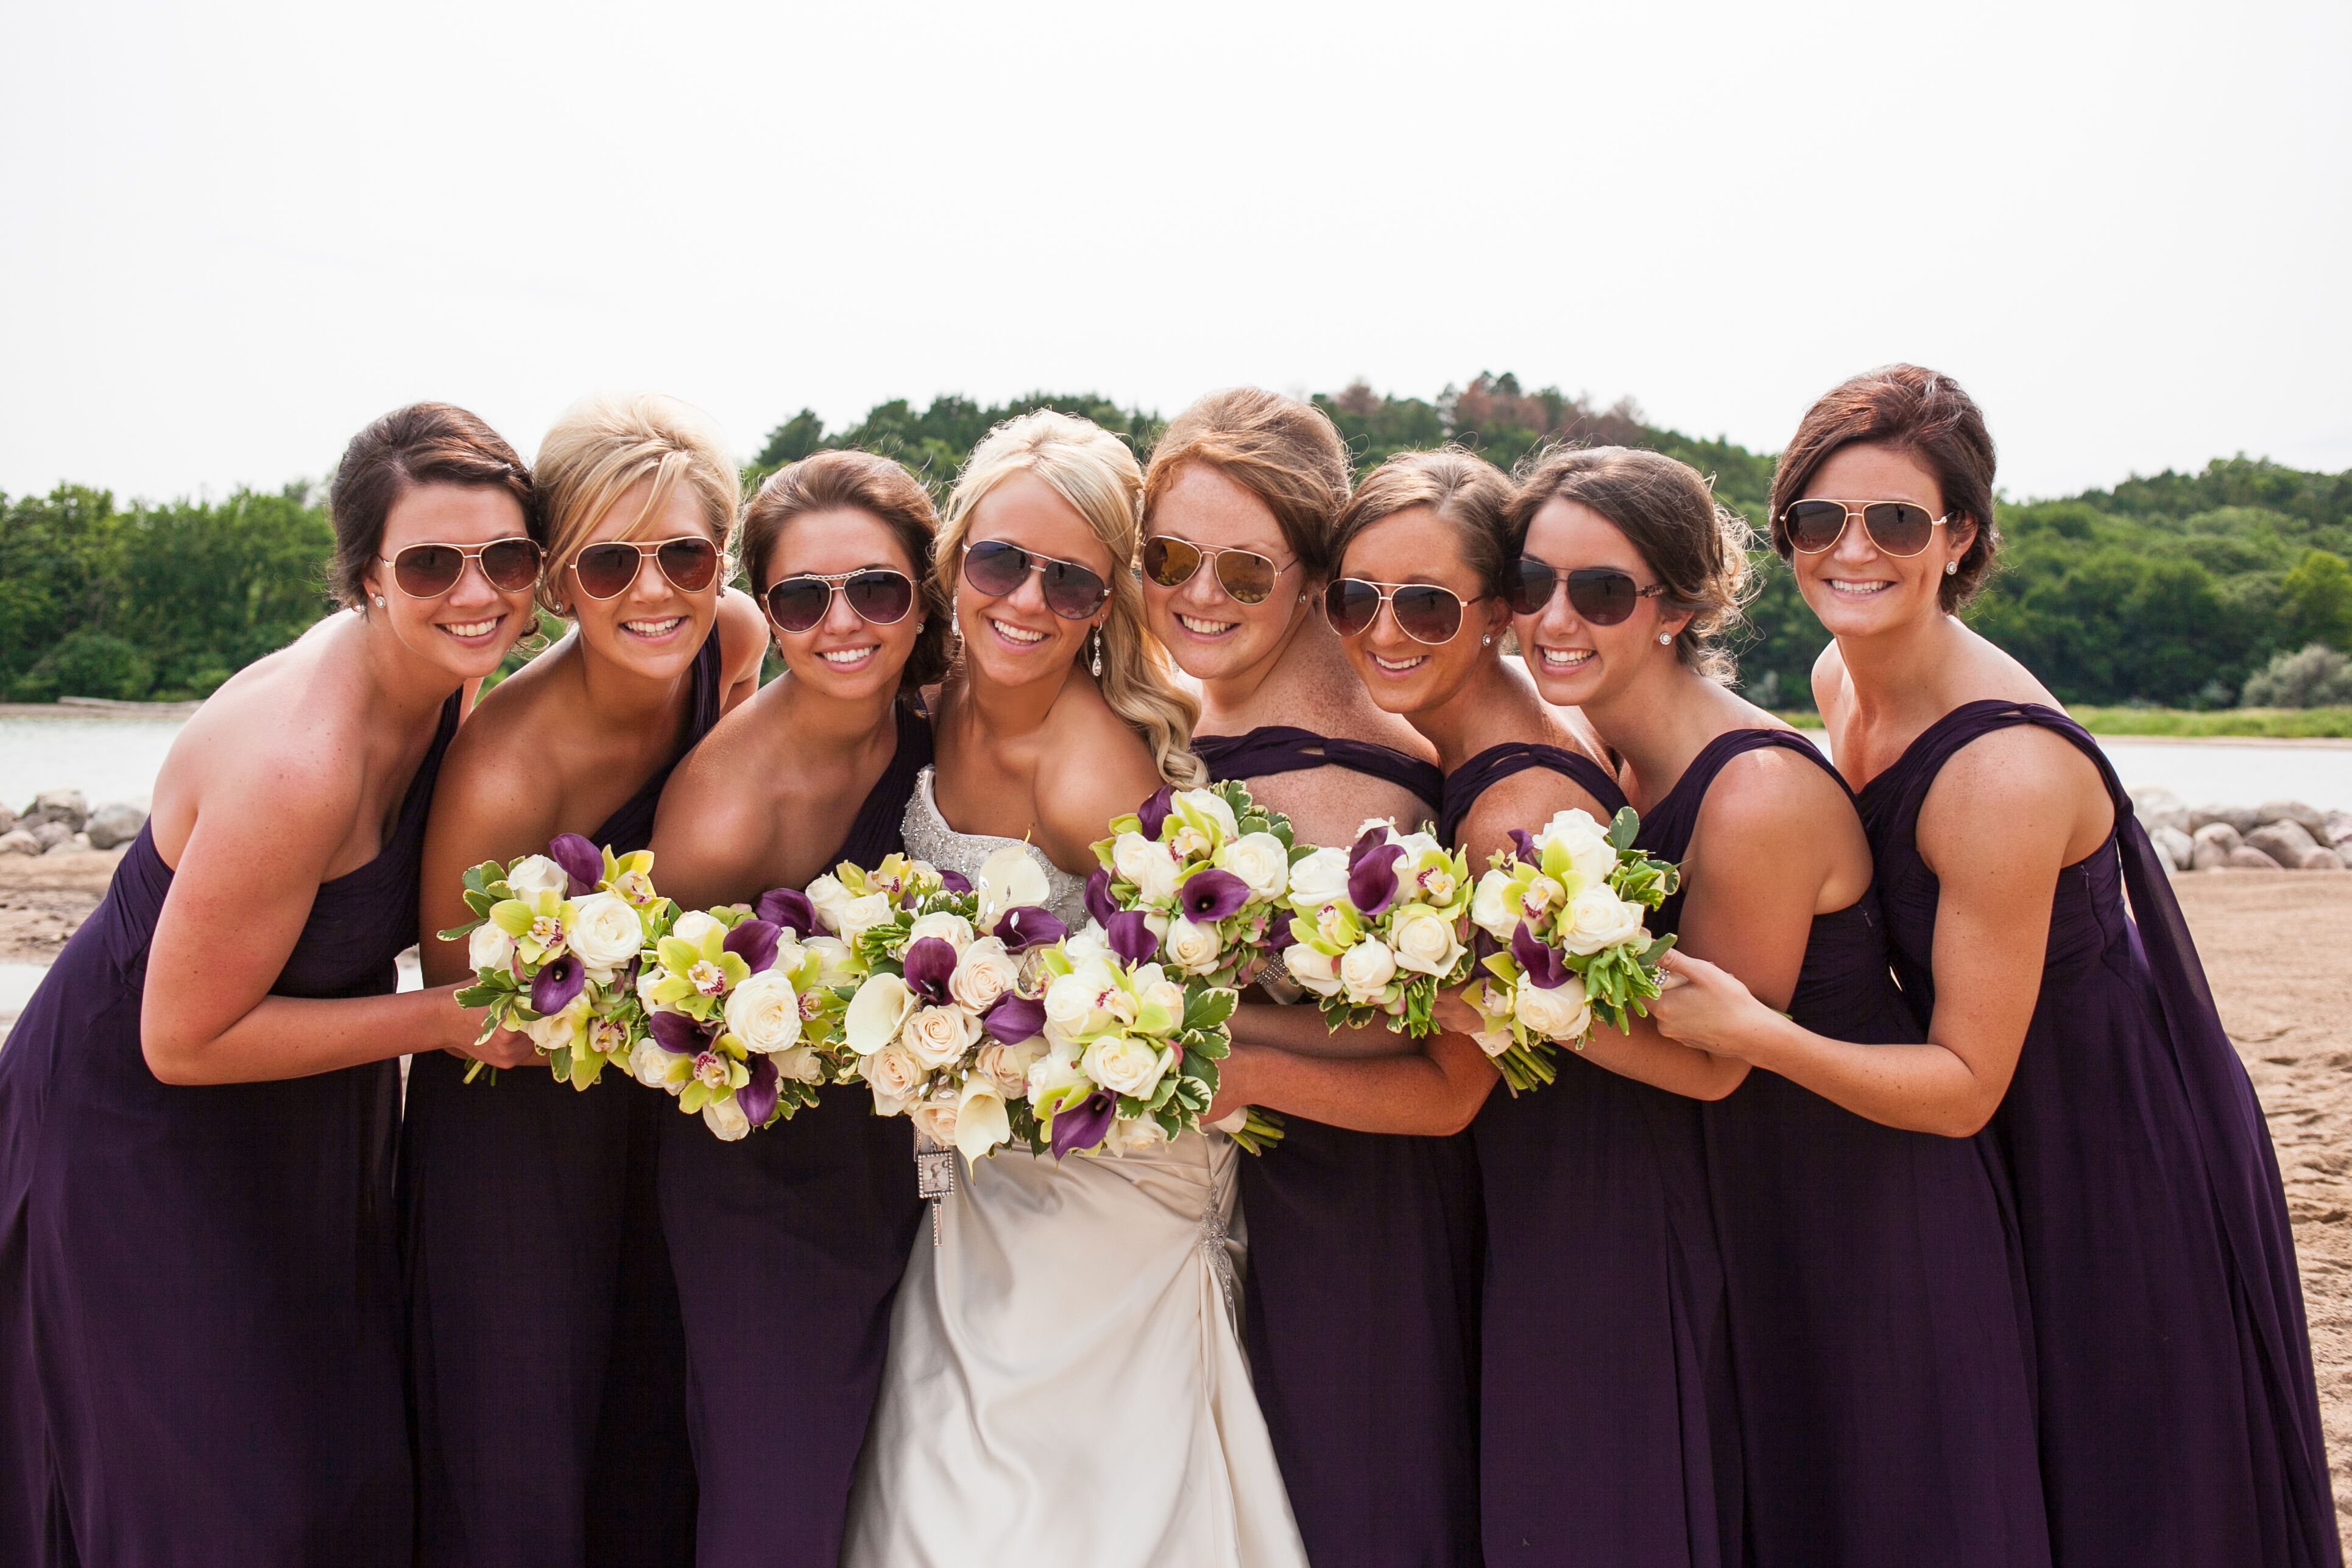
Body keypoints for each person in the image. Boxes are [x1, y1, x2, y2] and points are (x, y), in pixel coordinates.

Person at [1650, 364, 2339, 1567]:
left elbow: (1966, 1078)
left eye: (1896, 522)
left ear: (1958, 537)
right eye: (1818, 520)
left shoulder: (1997, 776)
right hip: (1984, 1115)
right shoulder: (1834, 680)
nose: (1850, 551)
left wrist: (1751, 1031)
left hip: (2096, 1143)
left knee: (2120, 1482)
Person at [0, 403, 547, 1566]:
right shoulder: (299, 758)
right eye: (432, 563)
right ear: (363, 577)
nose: (477, 590)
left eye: (507, 557)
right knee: (218, 1497)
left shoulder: (454, 683)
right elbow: (180, 1040)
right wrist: (445, 1020)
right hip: (136, 1127)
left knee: (335, 1460)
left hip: (299, 1108)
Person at [1506, 443, 2048, 1566]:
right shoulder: (1602, 746)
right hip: (1758, 1203)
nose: (1553, 617)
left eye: (1599, 590)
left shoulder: (1749, 792)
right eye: (1528, 584)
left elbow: (1714, 1056)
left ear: (1679, 608)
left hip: (1867, 1213)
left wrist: (1487, 990)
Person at [1237, 447, 1740, 1567]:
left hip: (1580, 1201)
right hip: (1546, 1186)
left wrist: (1232, 1054)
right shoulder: (1492, 747)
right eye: (1354, 599)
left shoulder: (1507, 811)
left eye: (1424, 602)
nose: (1382, 630)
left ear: (1499, 610)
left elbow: (1456, 1081)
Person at [840, 409, 1307, 1568]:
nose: (1027, 602)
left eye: (1073, 582)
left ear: (1108, 605)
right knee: (939, 1467)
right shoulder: (929, 698)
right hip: (976, 1182)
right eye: (1001, 562)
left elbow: (1194, 1010)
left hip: (1113, 1177)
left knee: (1054, 1503)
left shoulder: (1094, 768)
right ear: (955, 560)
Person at [401, 391, 763, 1567]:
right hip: (515, 1135)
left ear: (725, 559)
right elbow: (464, 996)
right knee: (524, 1442)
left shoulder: (740, 642)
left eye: (685, 554)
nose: (653, 590)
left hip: (668, 1104)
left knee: (660, 1421)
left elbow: (740, 836)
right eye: (610, 561)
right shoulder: (501, 763)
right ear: (557, 581)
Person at [1134, 388, 1479, 1566]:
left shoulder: (1348, 794)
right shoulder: (1186, 715)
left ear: (1313, 577)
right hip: (1195, 1215)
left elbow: (1447, 1077)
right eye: (1170, 557)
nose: (1199, 595)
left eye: (1245, 572)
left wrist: (1229, 1064)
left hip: (1340, 1221)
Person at [645, 449, 939, 1567]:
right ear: (767, 611)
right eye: (803, 598)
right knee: (782, 1496)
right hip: (763, 1191)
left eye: (877, 588)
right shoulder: (724, 806)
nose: (843, 623)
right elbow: (670, 1037)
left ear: (925, 594)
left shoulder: (939, 719)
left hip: (921, 1176)